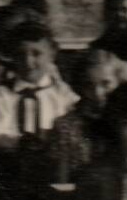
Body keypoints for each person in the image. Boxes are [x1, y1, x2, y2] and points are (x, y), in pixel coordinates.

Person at [50, 48, 120, 182]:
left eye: (106, 84)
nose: (98, 93)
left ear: (118, 82)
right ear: (79, 87)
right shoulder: (65, 127)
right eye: (89, 85)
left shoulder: (126, 123)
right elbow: (61, 181)